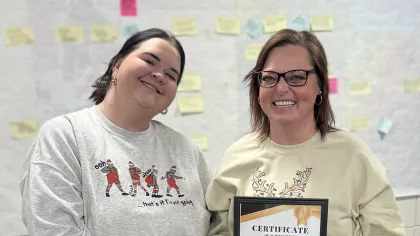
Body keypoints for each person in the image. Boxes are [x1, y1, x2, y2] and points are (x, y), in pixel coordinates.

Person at [205, 29, 405, 236]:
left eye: (296, 77)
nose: (281, 88)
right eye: (269, 78)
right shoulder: (236, 157)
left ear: (320, 86)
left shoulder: (354, 158)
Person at [20, 28, 212, 236]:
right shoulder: (65, 136)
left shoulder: (187, 152)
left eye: (171, 75)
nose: (159, 75)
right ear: (117, 65)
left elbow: (215, 226)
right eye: (149, 61)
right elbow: (53, 230)